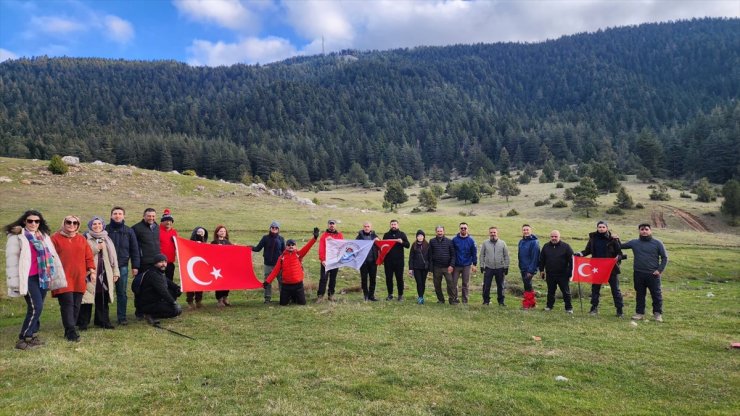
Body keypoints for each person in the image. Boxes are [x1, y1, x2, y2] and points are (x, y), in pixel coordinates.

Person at [5, 210, 66, 350]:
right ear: (24, 222)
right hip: (28, 277)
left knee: (37, 307)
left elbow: (52, 255)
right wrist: (14, 281)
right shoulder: (17, 237)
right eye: (30, 221)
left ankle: (31, 335)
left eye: (36, 221)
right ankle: (23, 339)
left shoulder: (43, 236)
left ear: (40, 223)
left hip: (43, 276)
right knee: (36, 307)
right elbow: (12, 261)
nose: (33, 223)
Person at [51, 215, 95, 341]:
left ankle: (69, 329)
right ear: (63, 223)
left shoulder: (81, 239)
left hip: (79, 277)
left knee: (76, 305)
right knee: (67, 304)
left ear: (78, 225)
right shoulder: (55, 238)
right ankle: (71, 332)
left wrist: (91, 270)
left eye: (75, 223)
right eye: (68, 222)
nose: (71, 225)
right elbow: (49, 257)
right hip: (62, 277)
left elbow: (89, 256)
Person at [575, 221, 625, 317]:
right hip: (596, 268)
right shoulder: (593, 238)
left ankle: (619, 310)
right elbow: (587, 250)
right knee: (595, 289)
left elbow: (620, 253)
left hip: (611, 268)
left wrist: (617, 258)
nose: (601, 228)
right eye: (599, 227)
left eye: (603, 227)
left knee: (615, 289)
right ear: (597, 228)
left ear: (607, 228)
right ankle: (594, 308)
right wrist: (580, 254)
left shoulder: (613, 239)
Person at [621, 223, 669, 322]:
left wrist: (659, 270)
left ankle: (657, 314)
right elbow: (620, 246)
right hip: (638, 273)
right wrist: (614, 238)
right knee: (640, 294)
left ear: (650, 231)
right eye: (642, 229)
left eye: (646, 229)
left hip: (653, 274)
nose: (644, 231)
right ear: (639, 231)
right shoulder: (634, 243)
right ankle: (639, 313)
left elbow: (665, 257)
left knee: (656, 295)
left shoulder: (657, 243)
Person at [79, 216, 120, 330]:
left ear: (103, 225)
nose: (97, 226)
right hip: (90, 273)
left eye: (99, 224)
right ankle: (83, 323)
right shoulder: (85, 239)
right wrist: (97, 247)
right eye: (94, 224)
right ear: (90, 226)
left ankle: (102, 321)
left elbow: (113, 257)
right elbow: (84, 255)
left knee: (103, 297)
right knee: (87, 299)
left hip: (105, 273)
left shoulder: (107, 239)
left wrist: (116, 271)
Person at [264, 228, 320, 306]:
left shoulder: (299, 254)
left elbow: (307, 247)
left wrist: (314, 238)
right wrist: (267, 281)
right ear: (286, 246)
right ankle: (291, 297)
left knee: (302, 303)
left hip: (298, 285)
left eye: (292, 245)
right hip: (286, 286)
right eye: (289, 245)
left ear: (295, 246)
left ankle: (294, 297)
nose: (291, 246)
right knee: (283, 304)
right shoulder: (281, 257)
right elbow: (275, 271)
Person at [105, 206, 140, 325]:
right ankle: (104, 318)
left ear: (123, 216)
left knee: (122, 293)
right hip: (106, 266)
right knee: (105, 293)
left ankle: (122, 317)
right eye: (115, 213)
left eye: (120, 213)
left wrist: (135, 266)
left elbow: (134, 250)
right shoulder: (105, 230)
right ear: (111, 216)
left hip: (122, 266)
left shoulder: (129, 231)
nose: (117, 216)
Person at [131, 207, 160, 318]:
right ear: (144, 216)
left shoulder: (157, 227)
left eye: (153, 216)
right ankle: (139, 311)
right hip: (143, 263)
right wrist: (135, 265)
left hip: (156, 263)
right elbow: (134, 249)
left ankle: (151, 310)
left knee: (153, 288)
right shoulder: (136, 228)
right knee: (141, 288)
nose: (151, 218)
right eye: (149, 216)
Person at [138, 254, 182, 323]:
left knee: (175, 291)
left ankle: (154, 312)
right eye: (161, 262)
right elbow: (163, 291)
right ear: (155, 263)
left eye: (165, 262)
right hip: (148, 304)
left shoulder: (160, 272)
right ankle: (150, 315)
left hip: (156, 300)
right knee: (176, 311)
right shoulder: (153, 274)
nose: (163, 264)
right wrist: (174, 303)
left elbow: (169, 283)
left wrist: (178, 288)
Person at [538, 230, 574, 314]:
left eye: (555, 236)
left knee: (566, 292)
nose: (554, 238)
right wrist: (541, 270)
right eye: (552, 236)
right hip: (550, 274)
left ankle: (569, 308)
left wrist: (570, 273)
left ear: (559, 237)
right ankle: (549, 306)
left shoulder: (566, 246)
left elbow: (572, 261)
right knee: (550, 292)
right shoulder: (546, 246)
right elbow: (542, 259)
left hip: (563, 275)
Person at [252, 220, 285, 303]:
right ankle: (267, 299)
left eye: (276, 228)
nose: (274, 229)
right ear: (270, 228)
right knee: (267, 282)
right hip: (268, 265)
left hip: (278, 265)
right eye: (272, 227)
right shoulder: (265, 238)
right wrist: (248, 248)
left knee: (281, 281)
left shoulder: (281, 239)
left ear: (278, 229)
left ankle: (283, 297)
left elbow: (284, 252)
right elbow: (257, 248)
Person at [479, 226, 510, 306]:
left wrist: (506, 267)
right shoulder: (485, 243)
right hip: (488, 267)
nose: (493, 234)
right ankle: (486, 301)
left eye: (494, 232)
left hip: (500, 268)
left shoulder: (502, 243)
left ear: (497, 233)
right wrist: (482, 265)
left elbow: (506, 256)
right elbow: (482, 255)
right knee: (486, 285)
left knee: (501, 285)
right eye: (491, 232)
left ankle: (501, 302)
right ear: (489, 233)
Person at [382, 219, 410, 301]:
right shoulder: (386, 235)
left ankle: (400, 295)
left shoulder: (402, 234)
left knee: (399, 278)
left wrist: (402, 242)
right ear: (390, 225)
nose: (393, 226)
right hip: (388, 261)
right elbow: (382, 247)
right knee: (388, 278)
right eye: (392, 224)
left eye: (395, 224)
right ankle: (390, 294)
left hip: (399, 261)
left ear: (398, 225)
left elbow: (408, 245)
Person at [317, 219, 344, 302]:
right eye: (330, 224)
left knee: (333, 278)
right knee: (323, 279)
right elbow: (321, 248)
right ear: (328, 225)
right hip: (326, 261)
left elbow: (342, 246)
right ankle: (320, 296)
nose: (331, 225)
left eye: (333, 224)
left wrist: (333, 240)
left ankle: (331, 295)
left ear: (335, 225)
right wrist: (322, 260)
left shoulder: (339, 235)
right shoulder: (324, 236)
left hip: (335, 261)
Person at [451, 222, 477, 304]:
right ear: (459, 229)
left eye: (465, 228)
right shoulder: (454, 240)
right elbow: (452, 253)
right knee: (454, 283)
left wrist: (474, 264)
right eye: (461, 228)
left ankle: (465, 301)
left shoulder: (471, 240)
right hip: (456, 265)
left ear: (467, 229)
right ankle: (455, 299)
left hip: (467, 265)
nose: (463, 229)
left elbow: (474, 253)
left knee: (465, 284)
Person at [429, 225, 456, 304]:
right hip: (436, 267)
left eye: (441, 231)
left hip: (447, 267)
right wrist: (431, 268)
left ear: (444, 232)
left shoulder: (449, 241)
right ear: (436, 232)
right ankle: (441, 300)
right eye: (438, 231)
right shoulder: (432, 241)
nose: (440, 233)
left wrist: (451, 265)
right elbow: (430, 255)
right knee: (437, 285)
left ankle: (452, 300)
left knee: (450, 284)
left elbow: (453, 255)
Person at [356, 222, 380, 301]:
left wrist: (378, 240)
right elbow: (355, 247)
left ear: (371, 227)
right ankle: (365, 295)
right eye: (365, 226)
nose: (366, 228)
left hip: (373, 261)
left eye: (368, 226)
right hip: (363, 262)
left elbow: (381, 245)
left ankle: (371, 296)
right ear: (363, 227)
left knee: (373, 279)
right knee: (364, 279)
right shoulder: (359, 237)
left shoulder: (374, 236)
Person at [518, 224, 540, 309]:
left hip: (529, 269)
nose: (525, 231)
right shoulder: (521, 241)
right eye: (524, 230)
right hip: (523, 268)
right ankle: (532, 303)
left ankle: (527, 304)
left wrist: (531, 271)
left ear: (531, 231)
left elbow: (535, 257)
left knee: (527, 286)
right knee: (527, 285)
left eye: (527, 230)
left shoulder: (534, 242)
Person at [185, 226, 208, 309]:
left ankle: (199, 301)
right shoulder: (189, 243)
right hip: (191, 265)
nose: (200, 234)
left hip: (201, 266)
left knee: (200, 284)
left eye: (202, 233)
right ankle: (190, 301)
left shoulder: (205, 244)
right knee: (191, 284)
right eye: (199, 232)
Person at [408, 230, 432, 305]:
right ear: (416, 237)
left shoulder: (427, 245)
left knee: (423, 282)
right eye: (418, 236)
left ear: (423, 237)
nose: (420, 237)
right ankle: (420, 297)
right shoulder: (414, 245)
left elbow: (430, 257)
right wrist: (410, 268)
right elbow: (411, 257)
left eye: (421, 236)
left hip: (424, 267)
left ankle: (421, 296)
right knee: (419, 282)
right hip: (416, 267)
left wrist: (430, 268)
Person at [212, 225, 233, 307]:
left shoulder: (228, 242)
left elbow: (232, 252)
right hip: (217, 267)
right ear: (217, 232)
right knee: (219, 283)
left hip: (226, 266)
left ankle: (225, 298)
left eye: (224, 231)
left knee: (226, 282)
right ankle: (219, 299)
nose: (222, 232)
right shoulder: (214, 242)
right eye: (221, 231)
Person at [158, 209, 178, 281]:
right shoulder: (156, 231)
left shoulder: (174, 232)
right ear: (162, 221)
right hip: (159, 262)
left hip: (170, 262)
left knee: (169, 281)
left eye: (170, 221)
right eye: (166, 220)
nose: (168, 222)